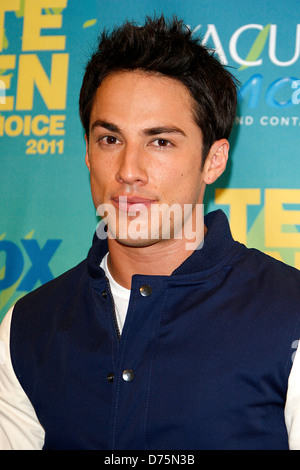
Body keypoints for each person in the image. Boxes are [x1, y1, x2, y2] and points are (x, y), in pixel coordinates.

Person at [1, 15, 300, 451]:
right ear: (87, 151)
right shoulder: (25, 328)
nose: (128, 172)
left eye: (160, 141)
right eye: (110, 139)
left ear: (213, 161)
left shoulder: (290, 312)